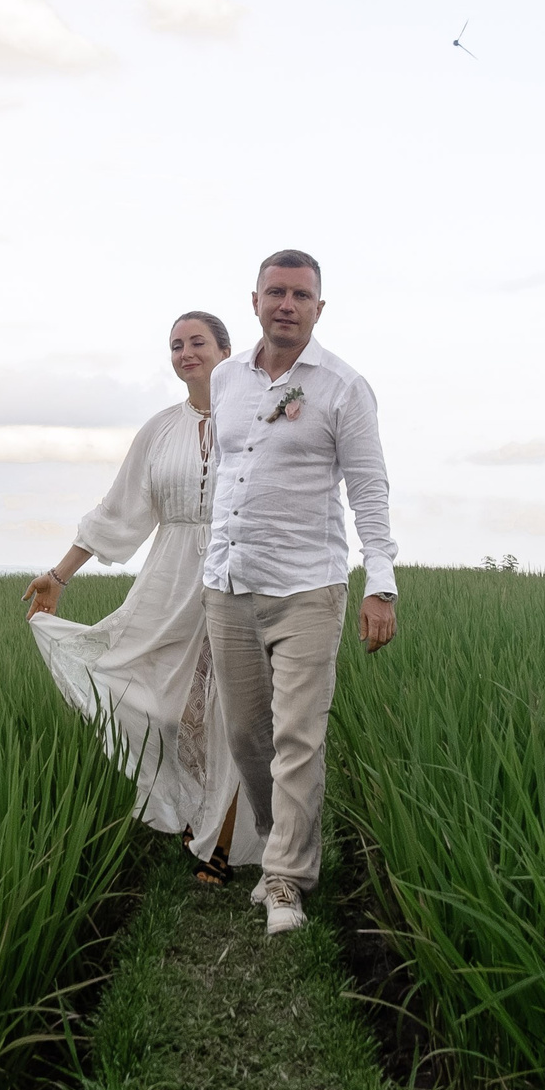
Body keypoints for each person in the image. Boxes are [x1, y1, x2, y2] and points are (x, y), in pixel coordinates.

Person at [25, 312, 263, 876]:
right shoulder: (159, 430)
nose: (185, 353)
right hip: (171, 578)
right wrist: (59, 576)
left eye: (197, 342)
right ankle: (189, 811)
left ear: (226, 350)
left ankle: (221, 846)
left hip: (242, 573)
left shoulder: (260, 418)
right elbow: (119, 510)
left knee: (234, 712)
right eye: (176, 345)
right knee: (164, 707)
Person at [203, 250, 398, 936]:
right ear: (254, 300)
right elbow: (226, 472)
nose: (287, 304)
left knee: (298, 736)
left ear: (320, 308)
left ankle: (285, 876)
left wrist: (382, 584)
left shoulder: (344, 387)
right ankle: (273, 837)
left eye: (301, 295)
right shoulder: (227, 379)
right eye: (275, 292)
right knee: (247, 733)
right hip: (227, 583)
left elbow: (369, 489)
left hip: (308, 586)